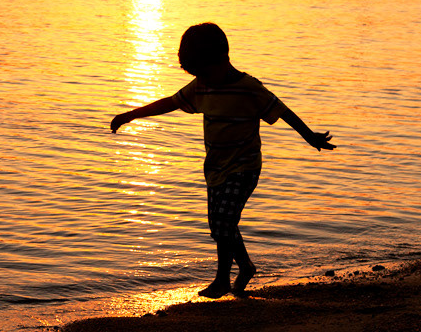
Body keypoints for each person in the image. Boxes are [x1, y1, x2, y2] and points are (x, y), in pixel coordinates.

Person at [110, 22, 334, 298]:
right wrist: (131, 115)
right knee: (219, 226)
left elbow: (283, 111)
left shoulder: (249, 88)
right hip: (215, 169)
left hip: (244, 167)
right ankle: (246, 267)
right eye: (196, 75)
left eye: (203, 72)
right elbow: (170, 102)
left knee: (224, 221)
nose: (200, 79)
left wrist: (309, 136)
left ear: (221, 60)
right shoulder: (202, 86)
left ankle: (221, 280)